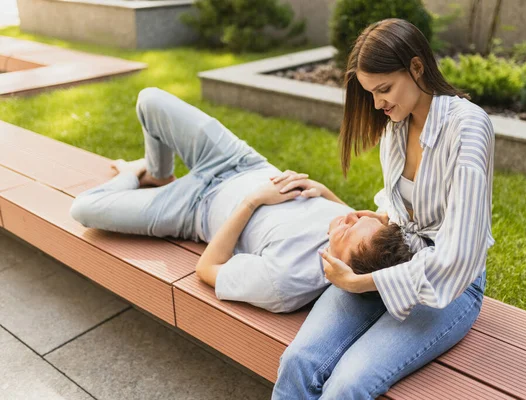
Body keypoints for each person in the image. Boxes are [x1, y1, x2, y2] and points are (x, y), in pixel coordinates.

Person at [272, 18, 495, 399]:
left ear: (417, 67)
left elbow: (459, 256)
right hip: (392, 261)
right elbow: (398, 201)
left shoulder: (469, 127)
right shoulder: (396, 125)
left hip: (449, 287)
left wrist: (363, 282)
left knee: (349, 384)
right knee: (299, 362)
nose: (377, 104)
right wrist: (382, 219)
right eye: (371, 93)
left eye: (384, 89)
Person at [69, 87, 414, 313]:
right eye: (358, 217)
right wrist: (322, 191)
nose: (347, 218)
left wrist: (251, 202)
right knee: (149, 99)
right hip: (239, 161)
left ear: (342, 271)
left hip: (194, 208)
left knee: (83, 209)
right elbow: (348, 218)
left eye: (345, 231)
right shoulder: (355, 227)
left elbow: (207, 269)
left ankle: (132, 174)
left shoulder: (285, 282)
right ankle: (158, 173)